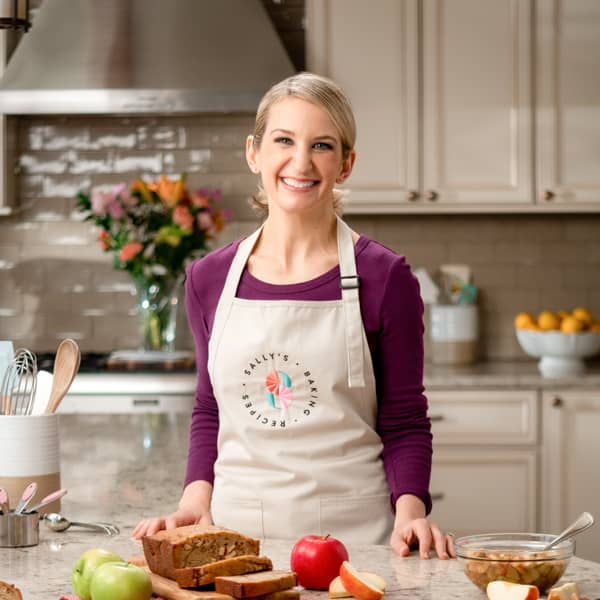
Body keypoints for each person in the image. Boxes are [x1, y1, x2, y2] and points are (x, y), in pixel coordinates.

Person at [133, 72, 454, 559]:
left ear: (346, 165)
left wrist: (411, 512)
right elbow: (210, 408)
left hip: (356, 541)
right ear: (254, 153)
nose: (300, 162)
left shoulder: (386, 278)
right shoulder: (208, 278)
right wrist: (195, 500)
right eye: (284, 140)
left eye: (322, 145)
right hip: (235, 543)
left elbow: (405, 418)